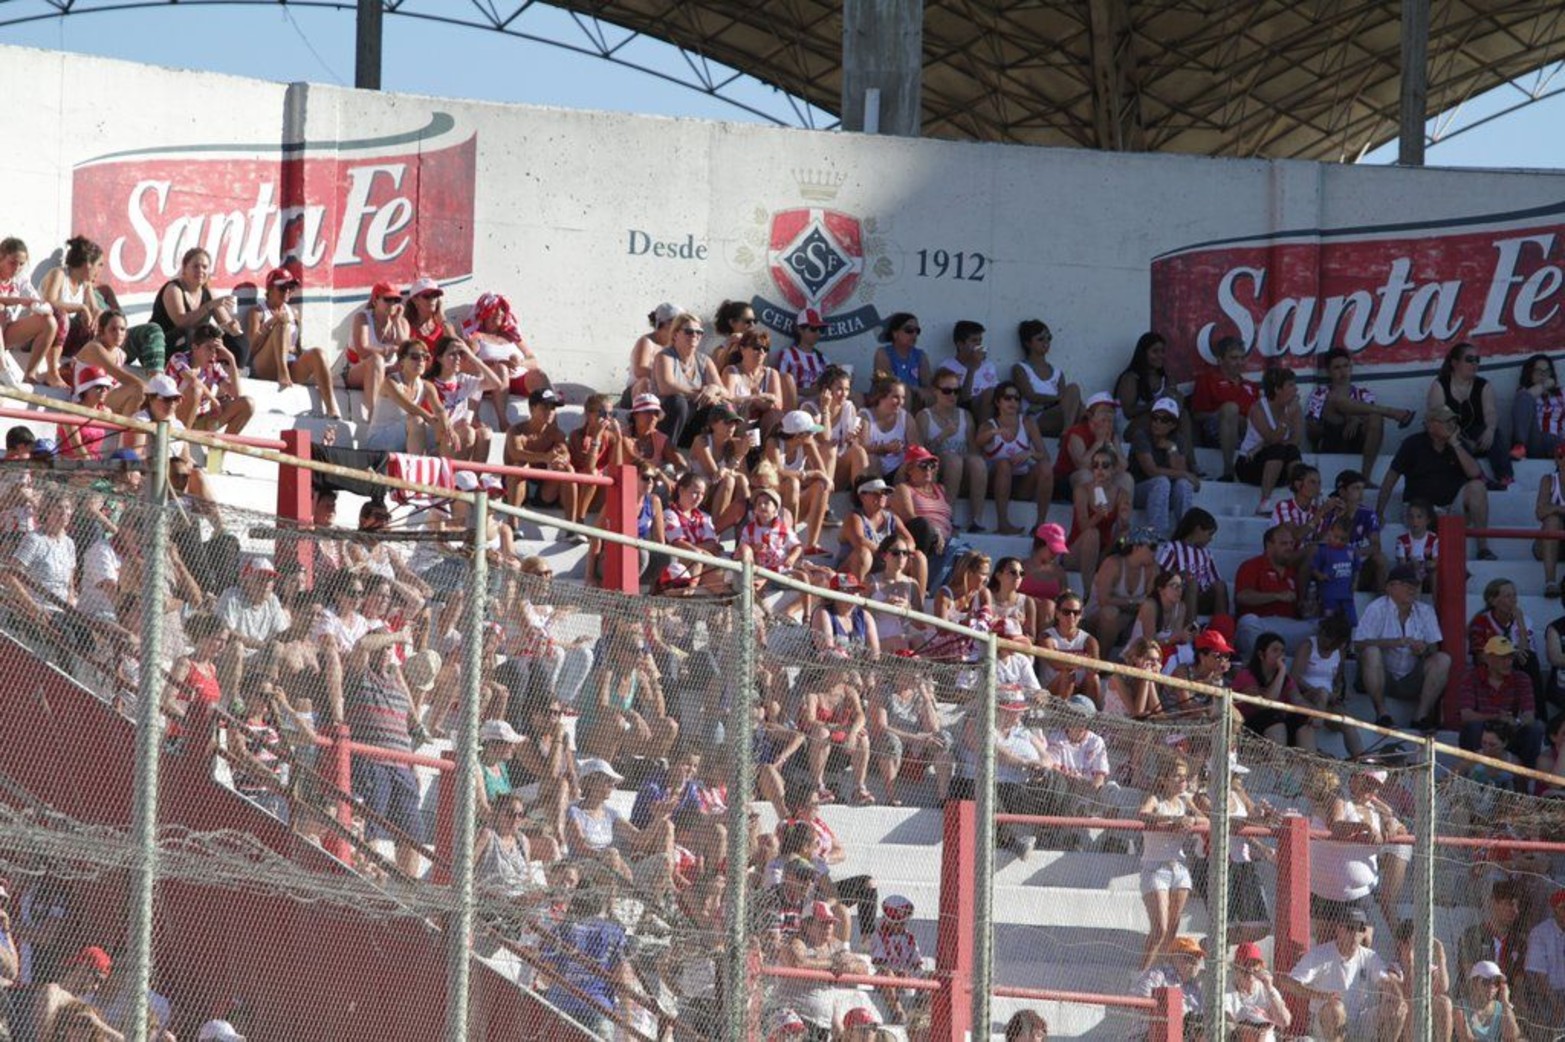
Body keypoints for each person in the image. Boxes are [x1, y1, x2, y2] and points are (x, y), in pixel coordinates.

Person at [1376, 404, 1496, 561]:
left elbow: (1475, 474)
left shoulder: (1459, 445)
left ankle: (1483, 548)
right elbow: (1390, 478)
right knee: (1427, 515)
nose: (1451, 425)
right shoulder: (1412, 444)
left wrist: (1455, 444)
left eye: (1453, 421)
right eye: (1446, 421)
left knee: (1477, 487)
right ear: (1430, 425)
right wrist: (1378, 513)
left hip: (1450, 508)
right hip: (1419, 510)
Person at [1282, 908, 1407, 1042]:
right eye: (1350, 928)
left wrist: (1398, 997)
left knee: (1398, 1007)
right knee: (1336, 1008)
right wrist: (1322, 995)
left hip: (1358, 1020)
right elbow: (1288, 983)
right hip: (1326, 1023)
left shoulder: (1369, 956)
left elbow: (1386, 981)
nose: (1355, 934)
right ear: (1339, 929)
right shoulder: (1320, 954)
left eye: (1360, 929)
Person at [1353, 563, 1450, 730]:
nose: (1412, 589)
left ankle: (1420, 717)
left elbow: (1434, 647)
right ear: (1390, 587)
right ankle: (1382, 714)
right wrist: (1396, 642)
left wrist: (1423, 649)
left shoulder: (1425, 611)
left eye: (1415, 585)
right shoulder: (1376, 608)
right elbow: (1358, 645)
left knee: (1443, 659)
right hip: (1381, 675)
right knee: (1371, 652)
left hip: (1411, 677)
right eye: (1406, 584)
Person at [244, 266, 341, 419]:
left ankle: (331, 408)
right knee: (282, 323)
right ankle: (282, 373)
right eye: (283, 288)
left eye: (291, 288)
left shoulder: (294, 313)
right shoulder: (257, 312)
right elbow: (252, 348)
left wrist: (293, 351)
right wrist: (270, 324)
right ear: (270, 289)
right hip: (264, 366)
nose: (288, 291)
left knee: (318, 353)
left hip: (290, 363)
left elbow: (298, 347)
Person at [541, 888, 639, 1036]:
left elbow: (546, 976)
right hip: (597, 1007)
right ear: (601, 909)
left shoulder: (561, 929)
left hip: (560, 1004)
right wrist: (628, 1031)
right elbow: (622, 981)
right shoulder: (614, 932)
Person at [1137, 750, 1203, 970]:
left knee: (1172, 930)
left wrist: (1191, 819)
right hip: (1156, 868)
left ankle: (1160, 972)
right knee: (1160, 929)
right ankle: (1141, 975)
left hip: (1179, 868)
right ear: (1164, 779)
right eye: (1176, 776)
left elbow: (1205, 819)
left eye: (1184, 777)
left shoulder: (1186, 802)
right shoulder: (1156, 799)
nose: (1182, 781)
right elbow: (1143, 814)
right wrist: (1173, 820)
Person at [1308, 348, 1413, 484]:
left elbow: (1372, 421)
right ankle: (1392, 412)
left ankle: (1365, 478)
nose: (1342, 371)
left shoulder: (1363, 394)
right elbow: (1311, 431)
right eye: (1337, 368)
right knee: (1335, 399)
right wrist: (1342, 416)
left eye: (1346, 366)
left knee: (1376, 417)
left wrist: (1357, 419)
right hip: (1332, 439)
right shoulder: (1320, 393)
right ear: (1329, 371)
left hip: (1356, 442)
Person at [916, 367, 988, 532]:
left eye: (956, 391)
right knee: (953, 460)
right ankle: (947, 516)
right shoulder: (924, 416)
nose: (952, 396)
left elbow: (973, 450)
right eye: (947, 391)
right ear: (935, 391)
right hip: (936, 472)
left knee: (977, 463)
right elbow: (921, 453)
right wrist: (943, 435)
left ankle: (977, 519)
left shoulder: (965, 416)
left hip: (961, 473)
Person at [463, 290, 548, 430]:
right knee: (501, 370)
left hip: (516, 377)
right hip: (491, 381)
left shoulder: (512, 336)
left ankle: (549, 422)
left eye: (502, 310)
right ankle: (503, 421)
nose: (499, 313)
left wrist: (520, 363)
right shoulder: (476, 337)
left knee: (539, 375)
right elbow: (468, 363)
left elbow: (533, 360)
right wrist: (497, 364)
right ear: (484, 313)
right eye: (494, 309)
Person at [1457, 636, 1545, 769]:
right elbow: (1466, 715)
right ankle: (1476, 772)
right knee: (1474, 726)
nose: (1508, 662)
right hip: (1482, 734)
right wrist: (1497, 717)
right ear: (1488, 658)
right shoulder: (1471, 677)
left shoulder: (1521, 678)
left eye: (1510, 657)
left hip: (1509, 733)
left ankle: (1525, 775)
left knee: (1536, 727)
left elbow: (1529, 715)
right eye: (1503, 658)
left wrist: (1516, 722)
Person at [147, 245, 245, 365]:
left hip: (193, 347)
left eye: (204, 267)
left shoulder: (209, 293)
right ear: (185, 268)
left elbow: (226, 324)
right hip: (162, 345)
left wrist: (233, 327)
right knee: (189, 334)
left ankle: (235, 371)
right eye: (195, 266)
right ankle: (183, 370)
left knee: (238, 338)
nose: (200, 270)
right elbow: (181, 322)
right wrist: (208, 306)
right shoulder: (174, 289)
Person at [1427, 341, 1508, 487]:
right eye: (1469, 359)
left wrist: (1490, 430)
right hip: (1449, 435)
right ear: (1455, 363)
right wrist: (1461, 439)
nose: (1474, 363)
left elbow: (1490, 412)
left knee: (1496, 433)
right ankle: (1480, 478)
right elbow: (1439, 419)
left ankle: (1505, 477)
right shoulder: (1439, 385)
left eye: (1477, 360)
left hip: (1475, 435)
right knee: (1453, 439)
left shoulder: (1483, 385)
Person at [979, 380, 1053, 534]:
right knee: (1004, 464)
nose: (1012, 402)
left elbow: (1045, 456)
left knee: (1045, 468)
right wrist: (995, 432)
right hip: (994, 484)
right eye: (1007, 398)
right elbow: (977, 442)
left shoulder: (1027, 423)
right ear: (997, 402)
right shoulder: (989, 425)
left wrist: (1030, 453)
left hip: (1021, 484)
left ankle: (1040, 524)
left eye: (1016, 398)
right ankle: (1003, 523)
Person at [1234, 524, 1315, 658]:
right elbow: (1242, 596)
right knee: (1247, 622)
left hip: (1289, 628)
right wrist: (1276, 596)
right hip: (1261, 626)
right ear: (1269, 545)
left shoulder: (1292, 572)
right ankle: (1260, 661)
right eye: (1284, 544)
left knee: (1321, 625)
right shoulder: (1251, 565)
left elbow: (1299, 610)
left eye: (1291, 543)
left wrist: (1306, 607)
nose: (1289, 547)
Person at [1235, 365, 1304, 516]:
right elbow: (1273, 438)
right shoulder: (1258, 408)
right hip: (1250, 464)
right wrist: (1287, 416)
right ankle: (1264, 503)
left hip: (1277, 465)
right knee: (1277, 450)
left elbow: (1296, 440)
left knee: (1292, 451)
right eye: (1291, 385)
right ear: (1278, 389)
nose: (1296, 389)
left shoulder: (1295, 408)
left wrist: (1261, 446)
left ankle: (1301, 500)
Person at [1190, 335, 1259, 483]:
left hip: (1247, 433)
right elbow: (1197, 415)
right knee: (1230, 408)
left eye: (1242, 358)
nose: (1239, 362)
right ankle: (1228, 470)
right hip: (1217, 431)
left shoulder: (1252, 386)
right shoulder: (1207, 380)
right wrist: (1229, 415)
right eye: (1233, 358)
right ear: (1220, 360)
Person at [1292, 614, 1363, 757]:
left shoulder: (1339, 652)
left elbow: (1338, 680)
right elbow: (1294, 677)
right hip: (1306, 697)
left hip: (1328, 701)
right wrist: (1316, 691)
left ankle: (1360, 759)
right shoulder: (1308, 646)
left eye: (1330, 638)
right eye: (1324, 635)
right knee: (1322, 693)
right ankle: (1316, 723)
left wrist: (1337, 693)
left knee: (1348, 722)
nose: (1324, 640)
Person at [654, 310, 728, 448]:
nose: (695, 335)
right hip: (664, 422)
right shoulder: (664, 356)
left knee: (718, 406)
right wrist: (700, 394)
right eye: (689, 331)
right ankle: (666, 452)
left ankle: (708, 452)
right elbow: (666, 386)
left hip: (691, 425)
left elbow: (725, 392)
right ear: (675, 334)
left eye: (699, 332)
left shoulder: (704, 360)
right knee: (678, 401)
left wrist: (713, 388)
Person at [425, 334, 503, 461]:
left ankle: (473, 473)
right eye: (452, 354)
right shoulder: (430, 384)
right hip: (437, 438)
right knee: (468, 432)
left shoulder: (463, 380)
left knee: (485, 433)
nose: (457, 358)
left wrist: (472, 356)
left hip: (459, 435)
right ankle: (457, 472)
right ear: (439, 358)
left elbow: (496, 384)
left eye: (460, 354)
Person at [1129, 396, 1198, 538]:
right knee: (1161, 482)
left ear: (1173, 425)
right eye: (1155, 418)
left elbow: (1180, 470)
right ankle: (1157, 536)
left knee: (1183, 485)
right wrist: (1186, 475)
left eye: (1164, 419)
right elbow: (1151, 471)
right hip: (1138, 490)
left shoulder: (1178, 439)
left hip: (1164, 494)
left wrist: (1172, 448)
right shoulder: (1141, 435)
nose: (1157, 422)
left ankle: (1185, 536)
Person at [167, 323, 253, 436]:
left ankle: (221, 446)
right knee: (195, 390)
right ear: (195, 347)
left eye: (216, 350)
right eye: (209, 348)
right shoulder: (179, 358)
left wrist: (231, 359)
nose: (213, 354)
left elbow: (236, 394)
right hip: (173, 418)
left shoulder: (213, 367)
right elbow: (193, 381)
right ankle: (184, 441)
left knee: (247, 404)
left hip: (199, 421)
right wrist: (213, 400)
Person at [1116, 332, 1192, 459]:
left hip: (1158, 423)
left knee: (1183, 415)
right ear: (1143, 353)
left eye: (1162, 351)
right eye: (1155, 351)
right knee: (1161, 414)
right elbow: (1128, 412)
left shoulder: (1166, 379)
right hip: (1130, 428)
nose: (1160, 355)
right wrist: (1156, 404)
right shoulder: (1131, 377)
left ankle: (1191, 462)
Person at [0, 235, 63, 386]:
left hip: (5, 333)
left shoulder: (20, 279)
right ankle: (2, 369)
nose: (17, 268)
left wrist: (41, 307)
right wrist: (20, 300)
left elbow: (36, 300)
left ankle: (30, 374)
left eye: (21, 264)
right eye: (12, 263)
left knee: (49, 322)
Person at [1085, 527, 1160, 654]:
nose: (1155, 552)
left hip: (1128, 617)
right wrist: (1133, 602)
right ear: (1136, 547)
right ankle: (1101, 659)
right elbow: (1104, 601)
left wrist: (1129, 605)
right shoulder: (1113, 564)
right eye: (1152, 547)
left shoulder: (1152, 569)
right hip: (1095, 617)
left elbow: (1148, 602)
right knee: (1110, 613)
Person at [1234, 630, 1310, 750]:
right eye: (1275, 650)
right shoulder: (1247, 675)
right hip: (1246, 730)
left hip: (1276, 728)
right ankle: (1278, 759)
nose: (1281, 655)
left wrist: (1312, 714)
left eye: (1282, 651)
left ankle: (1310, 760)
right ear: (1261, 655)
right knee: (1273, 715)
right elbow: (1267, 703)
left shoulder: (1286, 679)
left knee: (1303, 720)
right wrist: (1282, 671)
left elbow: (1298, 700)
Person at [1468, 579, 1544, 699]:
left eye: (1514, 595)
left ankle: (1537, 710)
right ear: (1493, 601)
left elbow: (1525, 653)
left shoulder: (1523, 620)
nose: (1514, 600)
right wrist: (1508, 654)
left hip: (1513, 665)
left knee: (1529, 658)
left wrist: (1520, 623)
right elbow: (1480, 657)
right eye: (1508, 596)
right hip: (1489, 667)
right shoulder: (1481, 622)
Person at [346, 282, 408, 423]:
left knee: (411, 364)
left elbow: (407, 351)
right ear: (375, 300)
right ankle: (373, 414)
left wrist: (396, 322)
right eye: (388, 299)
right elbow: (363, 351)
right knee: (376, 360)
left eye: (396, 300)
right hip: (357, 371)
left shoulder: (402, 323)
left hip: (388, 373)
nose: (392, 304)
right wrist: (390, 349)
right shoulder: (362, 318)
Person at [1012, 318, 1081, 436]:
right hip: (1036, 417)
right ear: (1027, 343)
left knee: (1078, 401)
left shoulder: (1058, 373)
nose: (1046, 342)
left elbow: (1065, 399)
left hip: (1056, 414)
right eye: (1040, 339)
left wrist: (1061, 399)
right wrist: (1059, 399)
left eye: (1049, 338)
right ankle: (1068, 433)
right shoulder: (1020, 368)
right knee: (1073, 394)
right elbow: (1032, 397)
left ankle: (1067, 432)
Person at [1037, 590, 1103, 708]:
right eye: (1066, 612)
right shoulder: (1046, 637)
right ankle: (1061, 713)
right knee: (1067, 674)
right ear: (1057, 613)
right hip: (1051, 691)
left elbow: (1095, 667)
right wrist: (1081, 660)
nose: (1071, 616)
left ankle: (1096, 715)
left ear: (1081, 615)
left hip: (1080, 689)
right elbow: (1055, 663)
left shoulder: (1089, 640)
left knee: (1093, 677)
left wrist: (1075, 662)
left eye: (1076, 612)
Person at [1159, 508, 1228, 617]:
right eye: (1209, 534)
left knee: (1220, 585)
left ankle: (1221, 625)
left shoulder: (1206, 553)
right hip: (1180, 596)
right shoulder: (1173, 547)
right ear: (1198, 529)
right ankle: (1191, 626)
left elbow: (1215, 579)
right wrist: (1177, 575)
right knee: (1192, 583)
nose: (1211, 539)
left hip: (1202, 598)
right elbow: (1160, 573)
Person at [937, 318, 997, 422]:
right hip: (965, 408)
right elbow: (962, 399)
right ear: (960, 345)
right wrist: (972, 369)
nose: (979, 345)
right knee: (989, 394)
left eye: (980, 340)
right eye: (974, 341)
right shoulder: (947, 366)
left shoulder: (988, 365)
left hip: (992, 406)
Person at [1522, 888, 1565, 1031]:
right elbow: (1538, 977)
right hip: (1544, 993)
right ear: (1555, 910)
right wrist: (1556, 1005)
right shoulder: (1540, 933)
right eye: (1563, 908)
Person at [1132, 934, 1207, 1017]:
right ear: (1174, 957)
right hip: (1156, 1024)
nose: (1194, 963)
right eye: (1188, 958)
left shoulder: (1195, 987)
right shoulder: (1158, 975)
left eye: (1197, 958)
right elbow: (1141, 997)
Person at [1225, 941, 1292, 1031]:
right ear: (1236, 967)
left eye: (1255, 964)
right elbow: (1227, 1019)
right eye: (1246, 964)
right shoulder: (1228, 989)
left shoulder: (1266, 988)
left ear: (1260, 968)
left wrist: (1269, 988)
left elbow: (1285, 1021)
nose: (1250, 969)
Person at [1510, 352, 1565, 461]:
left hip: (1557, 441)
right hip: (1535, 440)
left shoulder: (1561, 393)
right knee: (1523, 397)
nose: (1543, 375)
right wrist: (1544, 386)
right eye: (1539, 371)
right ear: (1530, 373)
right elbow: (1526, 397)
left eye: (1547, 371)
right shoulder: (1525, 393)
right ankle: (1520, 446)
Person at [872, 312, 932, 409]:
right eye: (909, 330)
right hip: (888, 401)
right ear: (895, 333)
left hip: (915, 400)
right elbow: (886, 386)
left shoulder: (920, 355)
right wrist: (911, 389)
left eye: (917, 331)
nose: (914, 334)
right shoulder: (883, 353)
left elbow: (928, 386)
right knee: (903, 392)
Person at [775, 306, 832, 408]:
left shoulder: (823, 359)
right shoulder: (788, 354)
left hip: (821, 402)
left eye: (821, 329)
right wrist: (808, 392)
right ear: (800, 329)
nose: (818, 333)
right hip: (797, 404)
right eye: (813, 329)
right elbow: (780, 386)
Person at [1453, 961, 1522, 1042]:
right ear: (1474, 982)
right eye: (1486, 982)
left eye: (1496, 983)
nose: (1491, 987)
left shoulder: (1502, 1008)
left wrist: (1505, 1001)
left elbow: (1513, 1036)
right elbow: (1466, 1039)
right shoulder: (1461, 1007)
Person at [1536, 444, 1565, 597]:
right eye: (1561, 457)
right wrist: (1560, 510)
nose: (1563, 461)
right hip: (1546, 545)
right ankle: (1550, 582)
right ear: (1557, 460)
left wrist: (1554, 508)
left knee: (1553, 518)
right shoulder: (1549, 480)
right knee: (1552, 521)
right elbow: (1540, 512)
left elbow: (1546, 508)